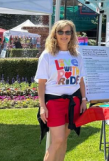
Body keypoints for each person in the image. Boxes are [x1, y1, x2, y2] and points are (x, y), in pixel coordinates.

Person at [35, 20, 87, 161]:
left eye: (68, 32)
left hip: (73, 103)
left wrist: (83, 100)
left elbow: (81, 80)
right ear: (55, 34)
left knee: (63, 140)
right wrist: (42, 106)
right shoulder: (47, 55)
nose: (64, 35)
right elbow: (41, 84)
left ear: (72, 34)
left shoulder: (77, 55)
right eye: (60, 32)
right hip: (54, 103)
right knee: (57, 140)